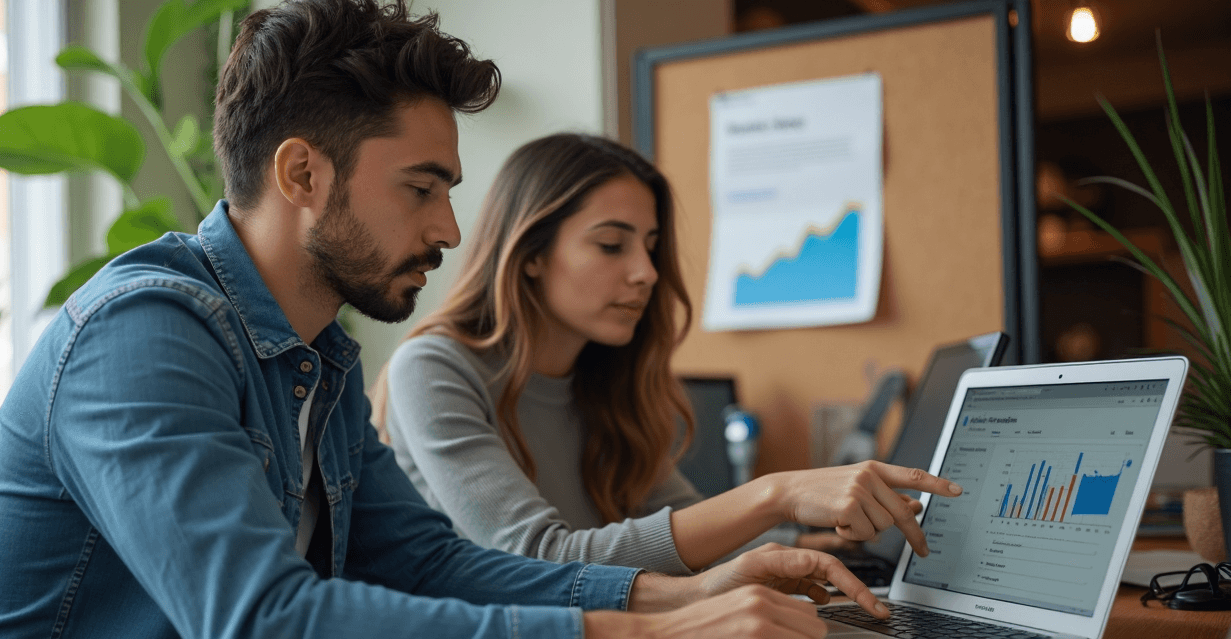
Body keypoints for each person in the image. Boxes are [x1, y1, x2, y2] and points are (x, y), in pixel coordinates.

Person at [0, 3, 897, 639]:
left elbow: (431, 566)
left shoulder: (322, 359)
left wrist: (675, 599)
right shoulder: (141, 336)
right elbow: (265, 633)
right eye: (422, 188)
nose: (447, 229)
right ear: (303, 173)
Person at [380, 133, 960, 575]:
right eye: (611, 245)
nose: (646, 273)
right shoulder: (433, 368)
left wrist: (810, 546)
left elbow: (682, 526)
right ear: (530, 252)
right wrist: (778, 493)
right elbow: (541, 561)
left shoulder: (604, 382)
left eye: (651, 247)